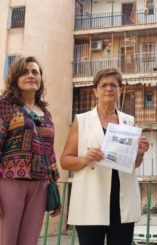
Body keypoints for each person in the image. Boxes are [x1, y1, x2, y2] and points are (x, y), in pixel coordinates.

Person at [60, 68, 149, 245]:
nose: (109, 88)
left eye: (113, 85)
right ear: (95, 91)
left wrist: (140, 152)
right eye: (104, 85)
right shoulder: (82, 120)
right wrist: (85, 159)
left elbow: (134, 164)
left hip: (121, 201)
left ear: (120, 90)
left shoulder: (128, 121)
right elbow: (65, 161)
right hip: (91, 200)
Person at [0, 56, 61, 245]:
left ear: (41, 79)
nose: (31, 75)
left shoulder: (46, 114)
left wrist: (54, 186)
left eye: (35, 72)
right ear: (15, 77)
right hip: (10, 182)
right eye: (25, 72)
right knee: (6, 240)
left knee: (30, 241)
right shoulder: (5, 105)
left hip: (40, 184)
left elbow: (49, 152)